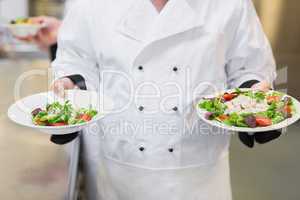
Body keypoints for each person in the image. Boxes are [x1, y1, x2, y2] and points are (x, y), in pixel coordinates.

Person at [24, 0, 282, 199]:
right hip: (119, 171)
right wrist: (72, 88)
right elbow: (76, 57)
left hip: (198, 178)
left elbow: (250, 67)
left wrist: (253, 97)